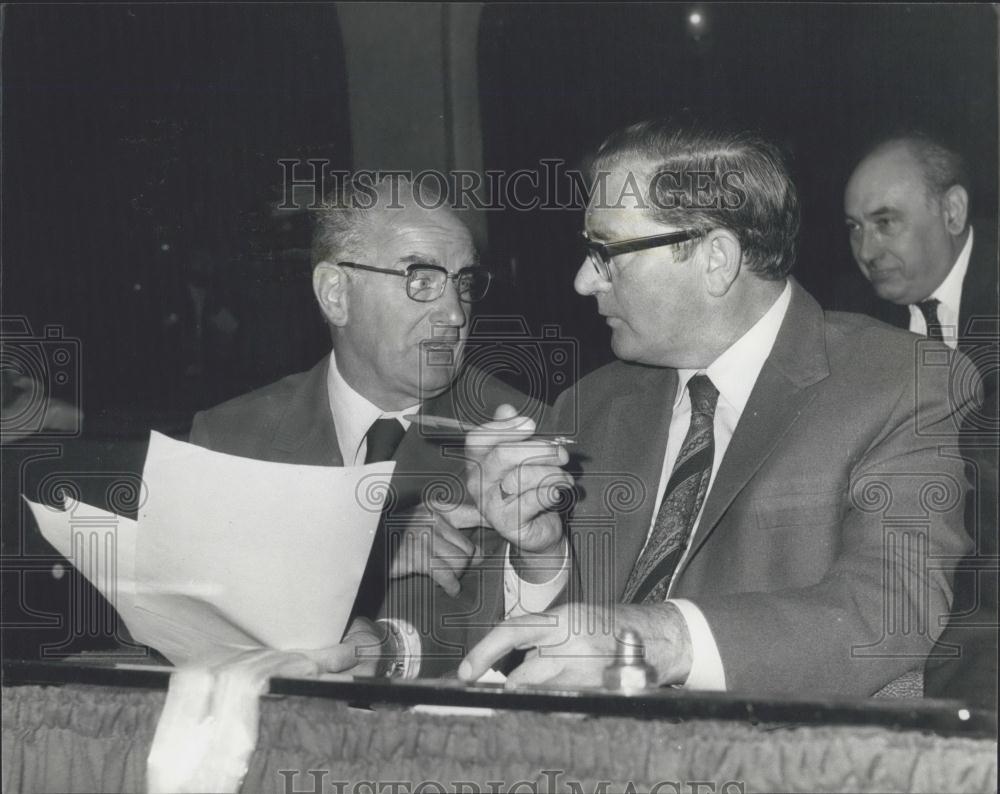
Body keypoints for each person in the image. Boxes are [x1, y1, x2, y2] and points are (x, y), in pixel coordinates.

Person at [457, 119, 978, 698]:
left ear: (716, 259)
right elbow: (509, 660)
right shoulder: (590, 405)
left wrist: (661, 641)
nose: (584, 281)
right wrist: (540, 556)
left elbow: (892, 611)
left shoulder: (901, 384)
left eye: (605, 253)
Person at [189, 177, 549, 677]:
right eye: (421, 279)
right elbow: (182, 621)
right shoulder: (230, 438)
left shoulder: (517, 434)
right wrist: (368, 547)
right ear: (336, 294)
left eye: (463, 283)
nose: (454, 313)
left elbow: (521, 634)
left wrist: (386, 651)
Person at [842, 134, 998, 709]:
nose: (867, 248)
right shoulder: (848, 322)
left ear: (952, 211)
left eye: (886, 222)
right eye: (854, 227)